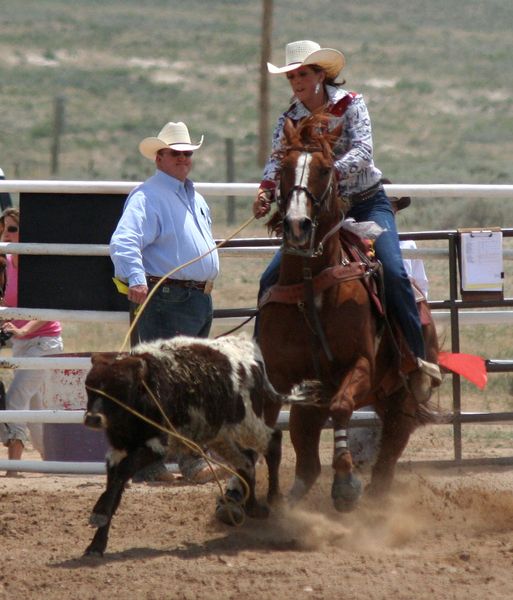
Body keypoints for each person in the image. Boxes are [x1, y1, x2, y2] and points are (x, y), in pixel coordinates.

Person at [253, 40, 441, 402]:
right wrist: (265, 190)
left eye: (303, 73)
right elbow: (277, 162)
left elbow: (364, 151)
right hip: (319, 215)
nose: (296, 80)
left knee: (392, 269)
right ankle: (262, 369)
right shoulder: (288, 119)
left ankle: (414, 359)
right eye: (292, 75)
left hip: (365, 203)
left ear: (320, 75)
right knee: (270, 279)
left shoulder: (352, 104)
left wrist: (325, 174)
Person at [110, 120, 221, 484]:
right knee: (165, 385)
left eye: (187, 153)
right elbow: (124, 241)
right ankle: (171, 461)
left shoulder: (193, 196)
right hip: (168, 296)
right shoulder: (147, 196)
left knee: (187, 383)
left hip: (194, 298)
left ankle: (168, 460)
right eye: (176, 153)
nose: (184, 159)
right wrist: (138, 279)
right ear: (159, 158)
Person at [0, 208, 64, 475]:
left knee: (17, 398)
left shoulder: (38, 264)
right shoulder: (7, 264)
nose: (6, 234)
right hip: (23, 344)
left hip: (44, 343)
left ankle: (14, 467)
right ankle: (56, 463)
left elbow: (51, 305)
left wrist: (24, 328)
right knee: (36, 410)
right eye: (3, 229)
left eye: (12, 229)